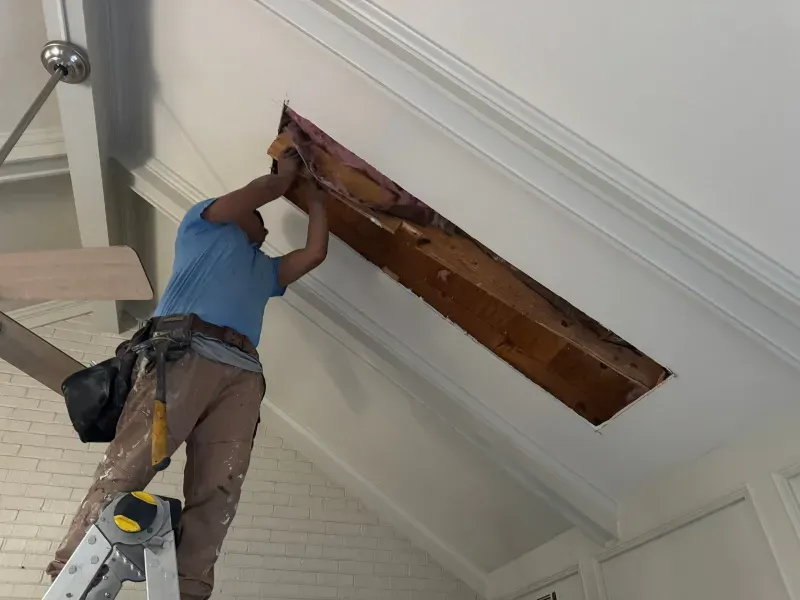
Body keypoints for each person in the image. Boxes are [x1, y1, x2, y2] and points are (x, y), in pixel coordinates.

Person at [46, 148, 328, 598]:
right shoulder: (203, 225)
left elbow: (314, 254)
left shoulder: (266, 270)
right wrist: (288, 176)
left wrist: (316, 201)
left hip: (242, 376)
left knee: (220, 486)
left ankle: (190, 586)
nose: (265, 227)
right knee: (135, 458)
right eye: (258, 217)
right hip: (184, 351)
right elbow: (262, 189)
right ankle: (75, 565)